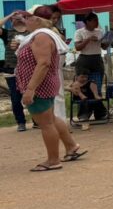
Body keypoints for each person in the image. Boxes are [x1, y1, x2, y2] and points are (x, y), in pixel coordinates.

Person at [13, 10, 86, 171]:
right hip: (43, 84)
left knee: (45, 123)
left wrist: (30, 89)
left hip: (39, 86)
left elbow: (43, 63)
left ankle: (53, 160)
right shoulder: (39, 36)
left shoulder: (41, 37)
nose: (25, 20)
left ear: (37, 20)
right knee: (51, 118)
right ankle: (71, 146)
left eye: (28, 17)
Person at [0, 12, 28, 131]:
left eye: (20, 17)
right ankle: (20, 122)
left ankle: (37, 120)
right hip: (11, 68)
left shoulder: (32, 32)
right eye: (14, 18)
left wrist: (24, 19)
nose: (17, 19)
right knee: (16, 98)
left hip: (29, 69)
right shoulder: (7, 33)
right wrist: (10, 15)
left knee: (33, 95)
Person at [74, 12, 106, 92]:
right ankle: (83, 98)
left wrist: (107, 42)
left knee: (97, 82)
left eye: (97, 20)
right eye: (94, 20)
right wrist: (88, 39)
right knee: (83, 84)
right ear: (87, 21)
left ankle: (97, 96)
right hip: (84, 59)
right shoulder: (79, 32)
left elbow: (103, 46)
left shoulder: (100, 32)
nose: (97, 22)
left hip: (97, 58)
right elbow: (77, 47)